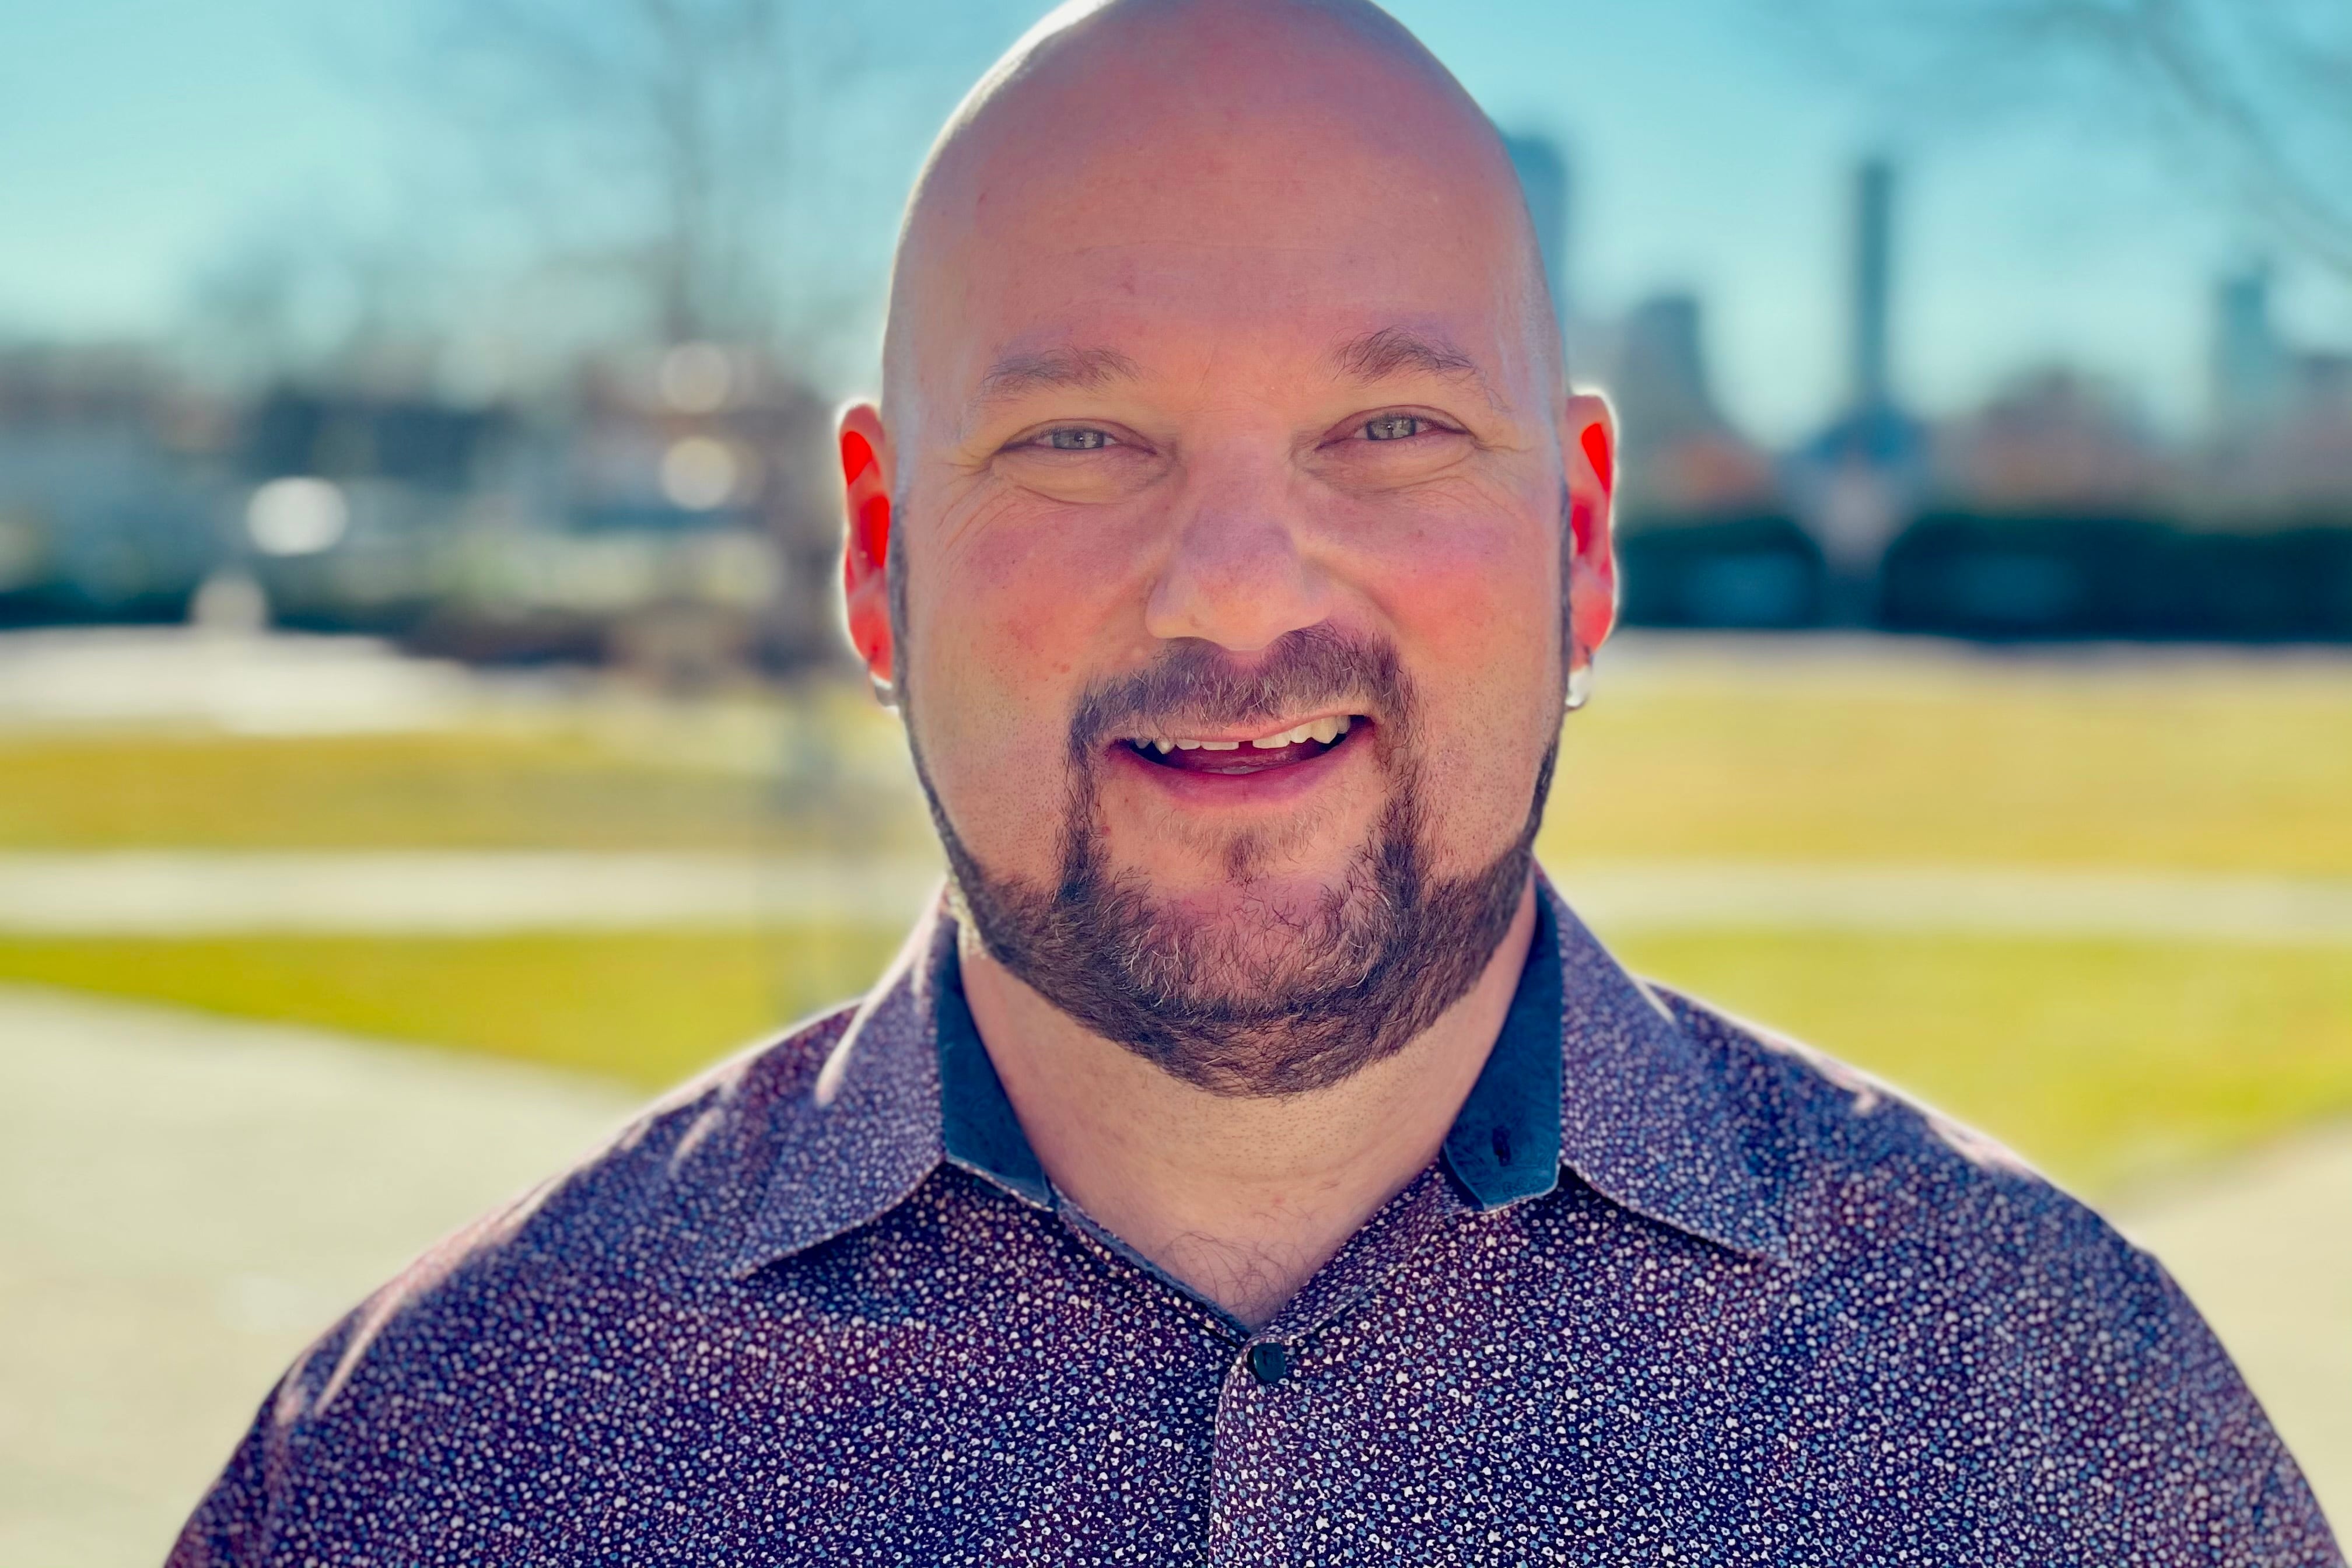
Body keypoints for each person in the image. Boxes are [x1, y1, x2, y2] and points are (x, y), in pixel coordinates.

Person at [172, 0, 2341, 1560]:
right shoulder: (429, 1471)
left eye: (1390, 429)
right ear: (879, 554)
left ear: (1582, 541)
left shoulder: (2057, 1426)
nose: (1234, 587)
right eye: (1080, 439)